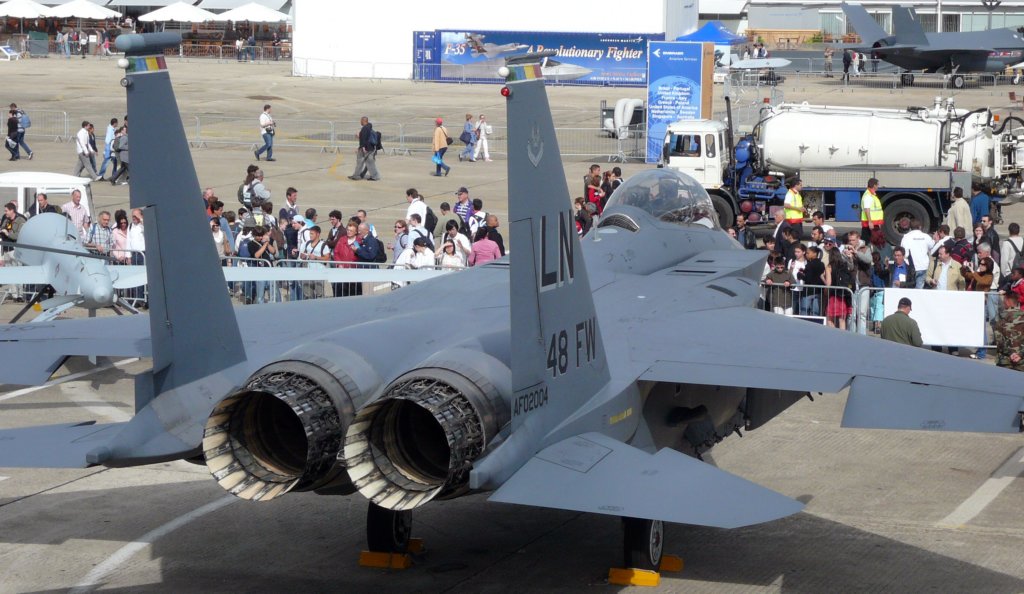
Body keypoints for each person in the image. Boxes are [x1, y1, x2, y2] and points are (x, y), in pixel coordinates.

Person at [900, 219, 934, 288]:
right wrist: (934, 240)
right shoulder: (926, 236)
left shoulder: (906, 237)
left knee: (909, 288)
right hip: (923, 266)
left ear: (910, 227)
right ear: (920, 227)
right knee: (919, 290)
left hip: (910, 267)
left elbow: (902, 251)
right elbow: (932, 246)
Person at [994, 292, 1024, 370]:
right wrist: (1020, 355)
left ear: (1007, 300)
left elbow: (999, 341)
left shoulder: (1001, 317)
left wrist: (1011, 353)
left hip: (1005, 361)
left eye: (1004, 300)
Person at [332, 221, 362, 297]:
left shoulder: (359, 241)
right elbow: (336, 252)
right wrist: (339, 264)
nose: (348, 232)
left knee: (353, 294)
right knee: (340, 293)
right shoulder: (342, 239)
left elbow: (361, 255)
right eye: (348, 230)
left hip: (354, 272)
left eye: (351, 230)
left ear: (356, 232)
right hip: (342, 271)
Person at [348, 116, 380, 181]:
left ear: (363, 121)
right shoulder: (369, 127)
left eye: (361, 121)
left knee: (360, 162)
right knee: (370, 163)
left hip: (365, 148)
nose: (360, 122)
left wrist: (362, 147)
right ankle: (374, 176)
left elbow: (364, 139)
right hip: (371, 148)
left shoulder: (365, 128)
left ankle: (356, 176)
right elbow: (366, 137)